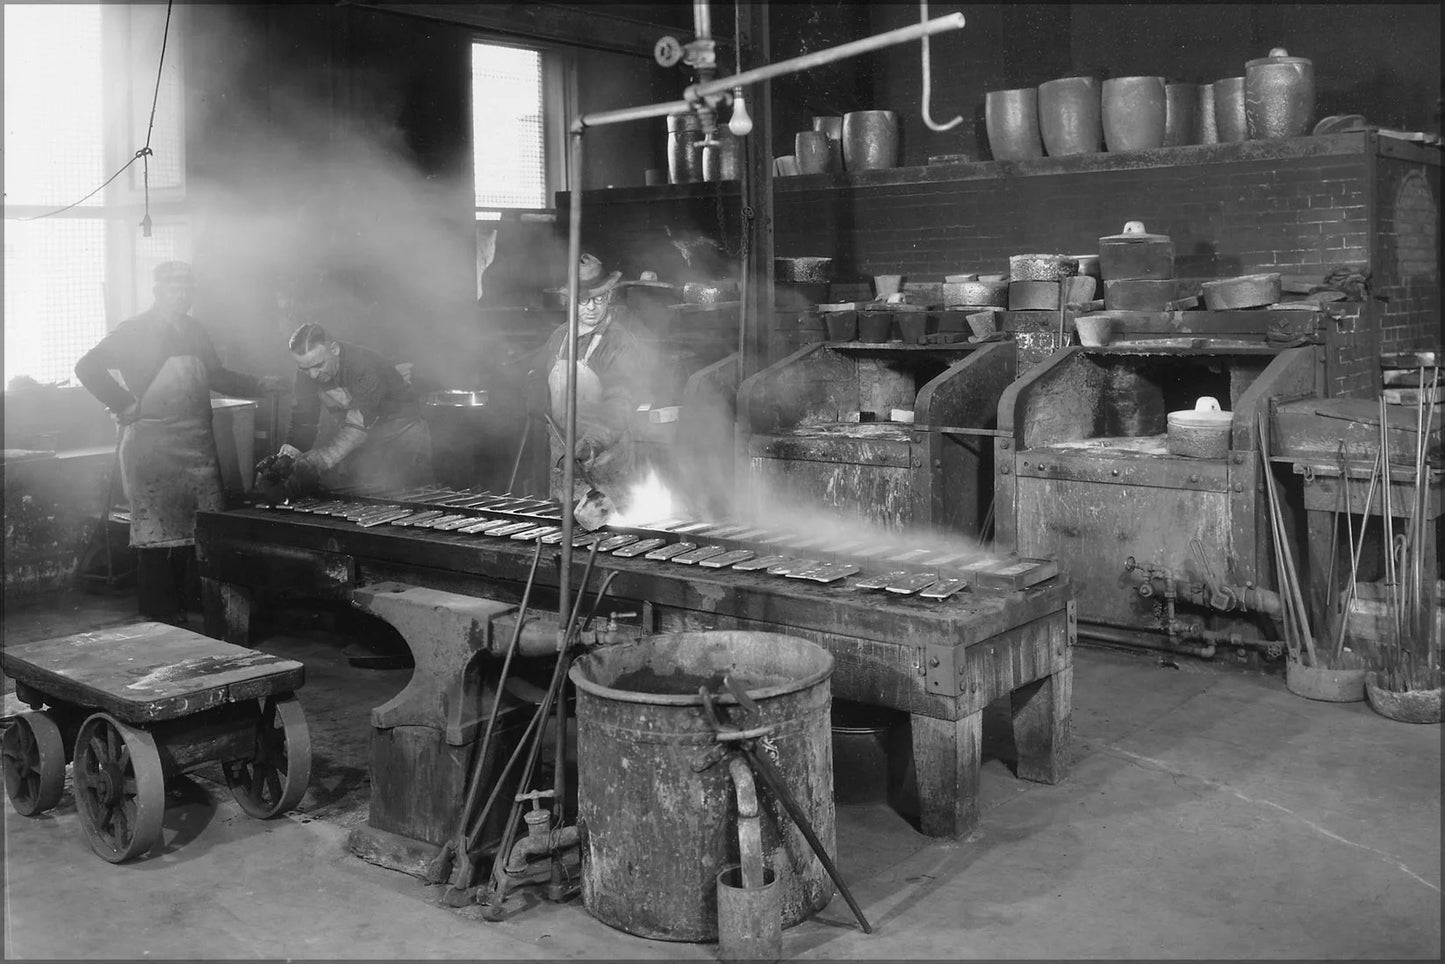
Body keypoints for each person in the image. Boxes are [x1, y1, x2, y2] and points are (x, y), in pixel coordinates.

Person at [74, 261, 287, 624]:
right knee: (156, 532)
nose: (182, 295)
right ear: (158, 292)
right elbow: (86, 366)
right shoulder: (134, 331)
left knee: (202, 528)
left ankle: (195, 604)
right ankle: (159, 616)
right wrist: (123, 402)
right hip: (153, 445)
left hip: (197, 445)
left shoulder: (194, 329)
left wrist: (259, 385)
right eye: (174, 288)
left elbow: (216, 375)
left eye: (188, 288)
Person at [536, 253, 656, 512]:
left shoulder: (617, 343)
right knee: (563, 538)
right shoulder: (559, 338)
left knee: (606, 541)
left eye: (599, 299)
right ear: (568, 300)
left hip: (606, 468)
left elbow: (620, 402)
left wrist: (592, 444)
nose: (592, 308)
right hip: (563, 465)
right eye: (583, 300)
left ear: (610, 296)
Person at [270, 322, 432, 498]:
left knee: (408, 497)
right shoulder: (306, 373)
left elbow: (359, 425)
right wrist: (286, 460)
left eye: (319, 365)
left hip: (403, 435)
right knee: (359, 496)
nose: (312, 375)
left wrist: (320, 460)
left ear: (334, 349)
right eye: (304, 368)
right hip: (364, 441)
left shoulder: (363, 365)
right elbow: (304, 421)